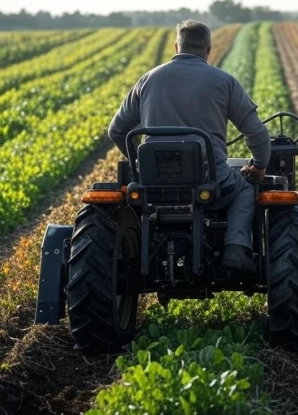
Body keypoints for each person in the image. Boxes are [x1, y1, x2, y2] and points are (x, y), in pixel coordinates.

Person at [108, 19, 271, 274]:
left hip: (155, 186)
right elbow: (257, 134)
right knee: (245, 188)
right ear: (208, 49)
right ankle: (237, 249)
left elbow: (116, 130)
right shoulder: (224, 81)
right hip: (210, 182)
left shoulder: (147, 80)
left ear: (176, 46)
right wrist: (259, 166)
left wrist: (137, 165)